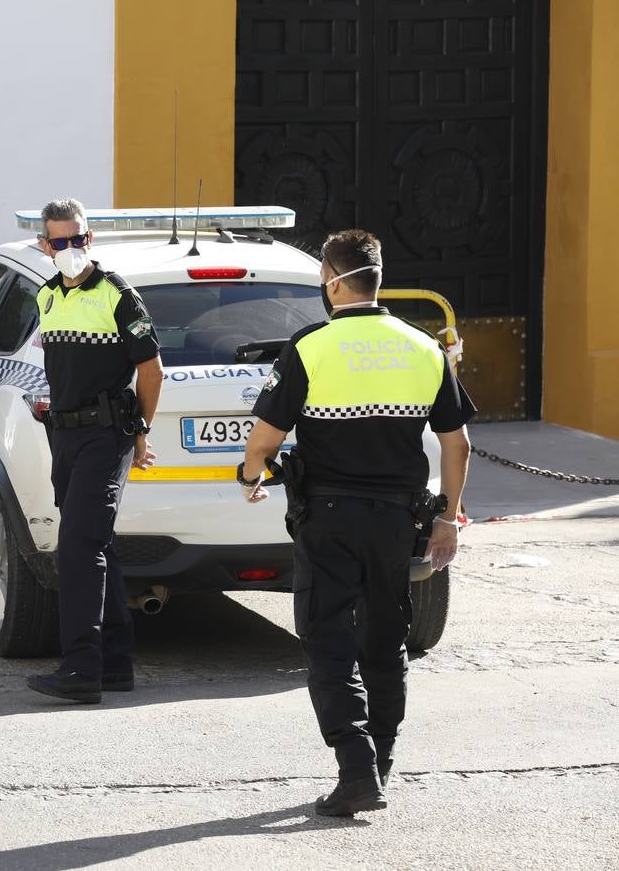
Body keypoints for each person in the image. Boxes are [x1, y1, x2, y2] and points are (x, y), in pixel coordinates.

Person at [239, 229, 474, 816]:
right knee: (385, 640)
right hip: (397, 520)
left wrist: (251, 474)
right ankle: (381, 763)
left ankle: (354, 767)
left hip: (329, 519)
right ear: (377, 276)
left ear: (332, 280)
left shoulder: (312, 345)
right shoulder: (422, 347)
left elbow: (265, 439)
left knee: (327, 640)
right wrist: (447, 518)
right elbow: (459, 444)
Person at [24, 198, 163, 704]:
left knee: (78, 547)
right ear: (45, 245)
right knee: (95, 544)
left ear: (90, 240)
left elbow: (151, 369)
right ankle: (116, 664)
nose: (69, 249)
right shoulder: (46, 297)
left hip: (107, 436)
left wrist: (141, 429)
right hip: (64, 436)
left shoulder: (117, 294)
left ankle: (81, 670)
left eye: (77, 239)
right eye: (58, 241)